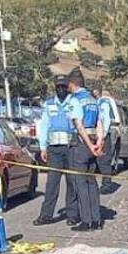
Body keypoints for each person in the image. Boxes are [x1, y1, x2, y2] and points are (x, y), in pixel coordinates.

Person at [33, 74, 77, 226]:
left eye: (63, 87)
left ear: (67, 88)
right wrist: (43, 148)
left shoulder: (73, 102)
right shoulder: (49, 104)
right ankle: (46, 215)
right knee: (52, 183)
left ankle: (72, 215)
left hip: (71, 148)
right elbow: (44, 126)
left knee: (72, 182)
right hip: (54, 150)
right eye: (58, 87)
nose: (61, 90)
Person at [66, 68, 102, 231]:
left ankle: (86, 221)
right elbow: (99, 123)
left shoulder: (75, 100)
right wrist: (98, 144)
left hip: (81, 144)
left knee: (80, 182)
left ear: (72, 84)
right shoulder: (93, 100)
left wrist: (88, 144)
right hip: (94, 141)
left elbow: (79, 126)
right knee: (92, 182)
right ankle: (97, 219)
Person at [94, 88, 119, 194]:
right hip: (101, 135)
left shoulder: (104, 102)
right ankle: (104, 184)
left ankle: (106, 185)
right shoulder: (99, 102)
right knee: (100, 161)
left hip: (104, 135)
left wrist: (103, 136)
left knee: (104, 161)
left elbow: (106, 120)